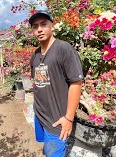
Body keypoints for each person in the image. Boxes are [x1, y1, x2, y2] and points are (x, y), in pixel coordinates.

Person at [29, 10, 83, 157]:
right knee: (47, 150)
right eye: (35, 26)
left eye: (44, 24)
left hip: (57, 120)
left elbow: (76, 83)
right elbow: (38, 82)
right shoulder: (35, 55)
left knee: (55, 153)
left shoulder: (64, 49)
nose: (39, 29)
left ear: (52, 26)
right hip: (40, 114)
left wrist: (68, 118)